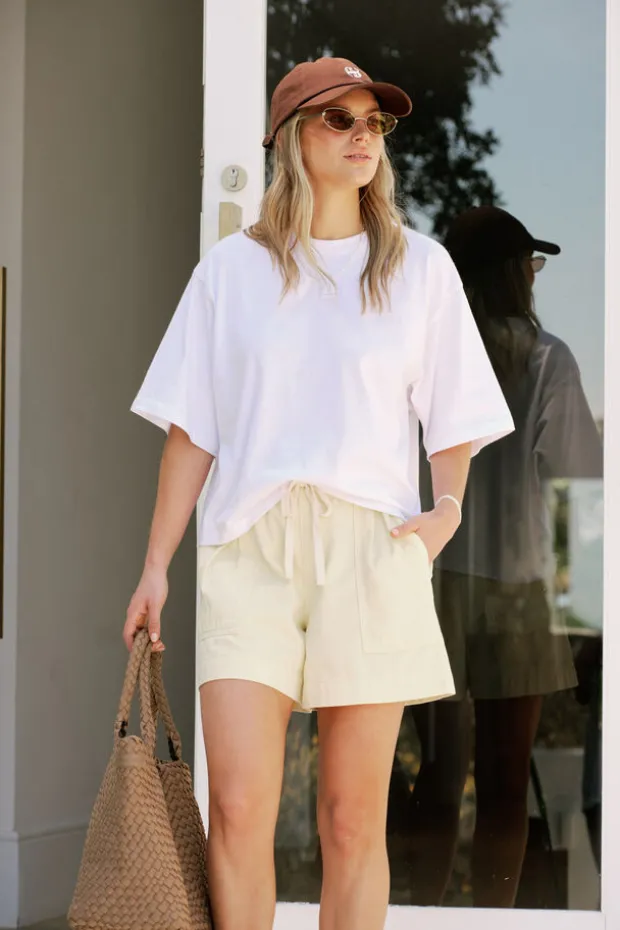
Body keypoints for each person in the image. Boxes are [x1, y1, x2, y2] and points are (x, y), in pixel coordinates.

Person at [124, 60, 513, 930]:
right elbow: (192, 430)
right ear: (290, 140)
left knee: (350, 819)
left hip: (371, 551)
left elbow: (454, 417)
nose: (363, 134)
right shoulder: (232, 272)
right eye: (339, 119)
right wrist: (155, 567)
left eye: (375, 121)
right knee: (237, 812)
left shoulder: (419, 269)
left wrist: (445, 512)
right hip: (249, 547)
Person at [409, 205, 603, 908]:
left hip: (431, 584)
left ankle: (415, 916)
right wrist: (586, 617)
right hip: (518, 593)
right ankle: (492, 918)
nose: (536, 274)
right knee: (504, 791)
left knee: (436, 781)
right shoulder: (547, 360)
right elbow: (578, 491)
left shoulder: (426, 356)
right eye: (531, 263)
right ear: (513, 274)